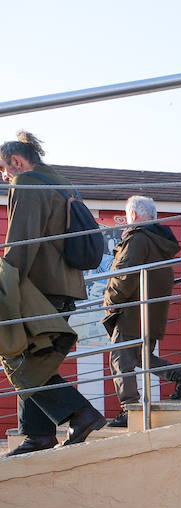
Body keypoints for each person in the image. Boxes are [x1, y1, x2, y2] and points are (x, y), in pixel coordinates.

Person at [0, 131, 105, 455]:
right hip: (66, 285)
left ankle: (79, 413)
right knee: (37, 358)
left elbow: (22, 240)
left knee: (17, 356)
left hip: (38, 287)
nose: (5, 178)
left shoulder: (28, 182)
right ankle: (39, 435)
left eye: (4, 171)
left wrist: (5, 282)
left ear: (17, 161)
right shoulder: (62, 182)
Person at [103, 196, 181, 427]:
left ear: (134, 216)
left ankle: (131, 409)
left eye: (127, 217)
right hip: (151, 309)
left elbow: (124, 275)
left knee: (120, 359)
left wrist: (109, 301)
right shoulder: (159, 241)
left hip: (133, 310)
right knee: (139, 357)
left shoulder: (137, 239)